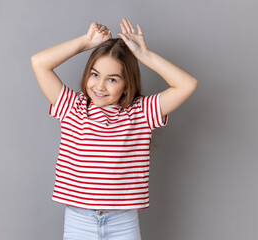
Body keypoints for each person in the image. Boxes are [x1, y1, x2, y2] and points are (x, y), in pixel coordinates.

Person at [31, 18, 198, 240]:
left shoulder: (140, 112)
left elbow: (187, 84)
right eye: (95, 74)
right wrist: (85, 42)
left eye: (112, 79)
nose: (99, 86)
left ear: (126, 84)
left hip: (123, 222)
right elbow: (39, 62)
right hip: (79, 221)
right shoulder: (73, 107)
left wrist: (144, 55)